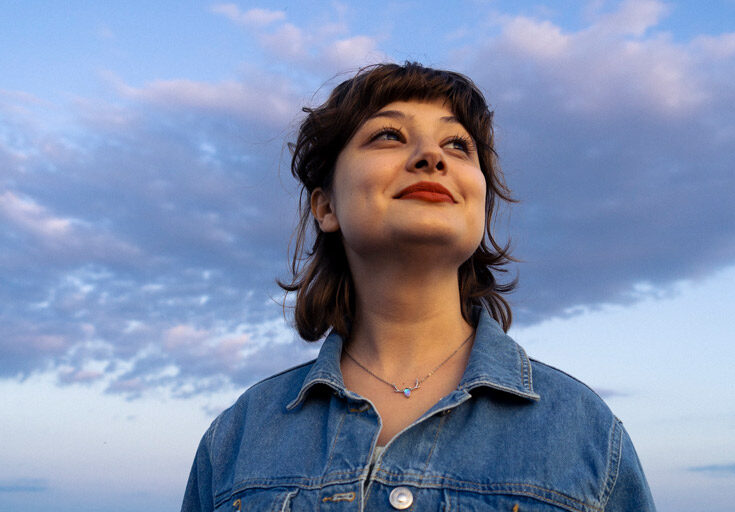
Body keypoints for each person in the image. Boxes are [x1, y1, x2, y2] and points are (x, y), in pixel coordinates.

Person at [181, 62, 655, 512]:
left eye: (458, 145)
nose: (432, 156)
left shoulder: (586, 432)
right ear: (325, 208)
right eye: (389, 135)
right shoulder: (237, 438)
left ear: (480, 204)